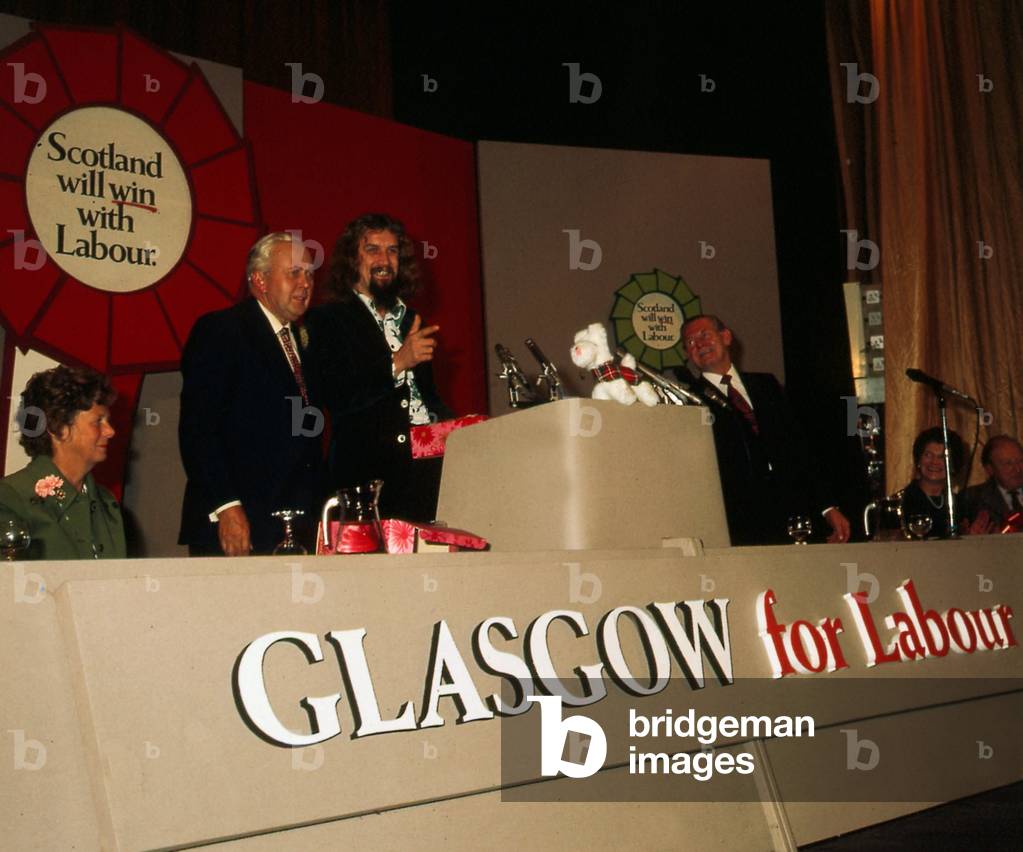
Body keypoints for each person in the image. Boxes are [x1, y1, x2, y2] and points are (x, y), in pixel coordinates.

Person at [178, 232, 325, 555]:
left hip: (296, 526)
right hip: (238, 526)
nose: (305, 284)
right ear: (259, 280)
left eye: (310, 275)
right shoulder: (222, 330)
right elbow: (198, 429)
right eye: (294, 273)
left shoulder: (304, 340)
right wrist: (226, 507)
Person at [307, 213, 453, 522]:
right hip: (367, 484)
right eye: (372, 249)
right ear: (352, 259)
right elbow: (337, 395)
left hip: (426, 476)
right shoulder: (328, 320)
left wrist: (458, 427)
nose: (384, 260)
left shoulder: (412, 320)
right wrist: (398, 362)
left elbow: (426, 398)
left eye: (392, 250)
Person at [675, 314, 851, 546]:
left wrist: (827, 507)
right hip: (739, 525)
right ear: (688, 355)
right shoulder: (690, 401)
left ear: (726, 337)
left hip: (793, 516)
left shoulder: (766, 384)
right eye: (690, 342)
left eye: (705, 335)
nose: (699, 344)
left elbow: (798, 448)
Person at [0, 365, 125, 559]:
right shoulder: (11, 499)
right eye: (98, 421)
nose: (110, 431)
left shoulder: (106, 503)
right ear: (58, 427)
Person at [899, 426, 973, 538]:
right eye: (928, 455)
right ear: (918, 460)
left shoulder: (961, 505)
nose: (934, 462)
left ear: (953, 465)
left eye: (942, 457)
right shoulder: (903, 502)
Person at [962, 435, 1023, 531]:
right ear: (990, 469)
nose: (1018, 469)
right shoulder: (973, 498)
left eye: (1021, 461)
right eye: (1008, 463)